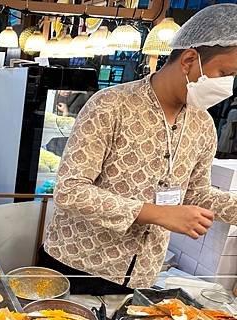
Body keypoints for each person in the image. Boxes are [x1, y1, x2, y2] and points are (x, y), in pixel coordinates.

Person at [41, 4, 237, 295]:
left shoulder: (203, 125)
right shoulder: (111, 105)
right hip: (77, 264)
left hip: (142, 275)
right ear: (188, 60)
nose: (227, 85)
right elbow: (70, 189)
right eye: (224, 72)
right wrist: (156, 213)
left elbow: (196, 193)